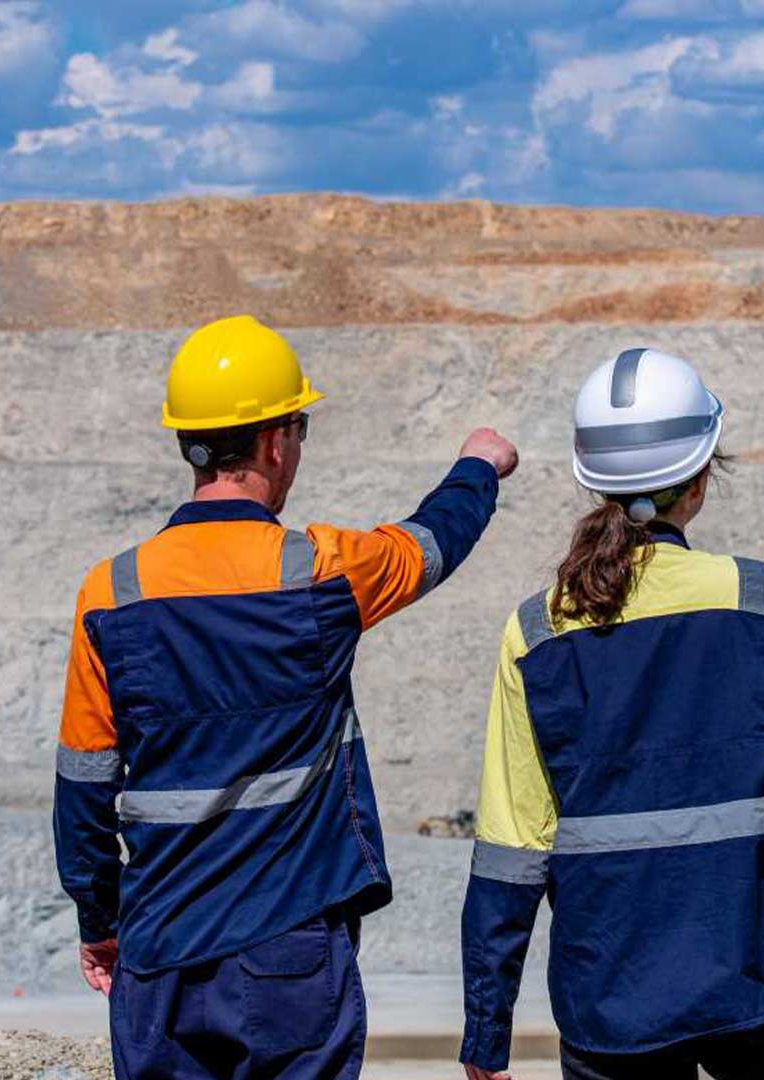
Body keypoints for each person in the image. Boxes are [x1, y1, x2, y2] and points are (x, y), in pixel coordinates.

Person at [52, 315, 518, 1080]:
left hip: (159, 955)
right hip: (288, 950)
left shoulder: (110, 592)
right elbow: (431, 544)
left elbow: (83, 786)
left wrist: (99, 918)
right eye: (299, 429)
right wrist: (478, 466)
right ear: (275, 442)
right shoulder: (319, 573)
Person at [458, 348, 764, 1080]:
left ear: (591, 480)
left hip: (613, 1001)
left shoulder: (538, 631)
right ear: (700, 480)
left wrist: (487, 1026)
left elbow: (512, 847)